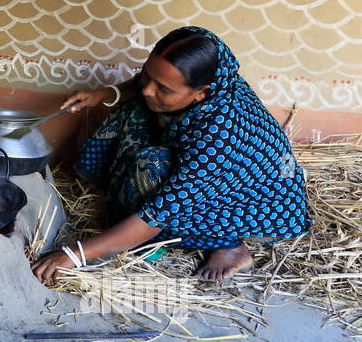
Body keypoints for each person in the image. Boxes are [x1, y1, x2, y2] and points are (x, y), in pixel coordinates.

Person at [32, 26, 310, 284]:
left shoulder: (218, 135)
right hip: (204, 169)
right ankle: (120, 207)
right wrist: (103, 94)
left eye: (164, 89)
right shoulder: (198, 51)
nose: (148, 89)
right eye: (148, 75)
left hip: (252, 199)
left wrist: (74, 256)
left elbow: (160, 213)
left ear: (202, 93)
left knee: (151, 166)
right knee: (135, 108)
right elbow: (145, 84)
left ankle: (231, 246)